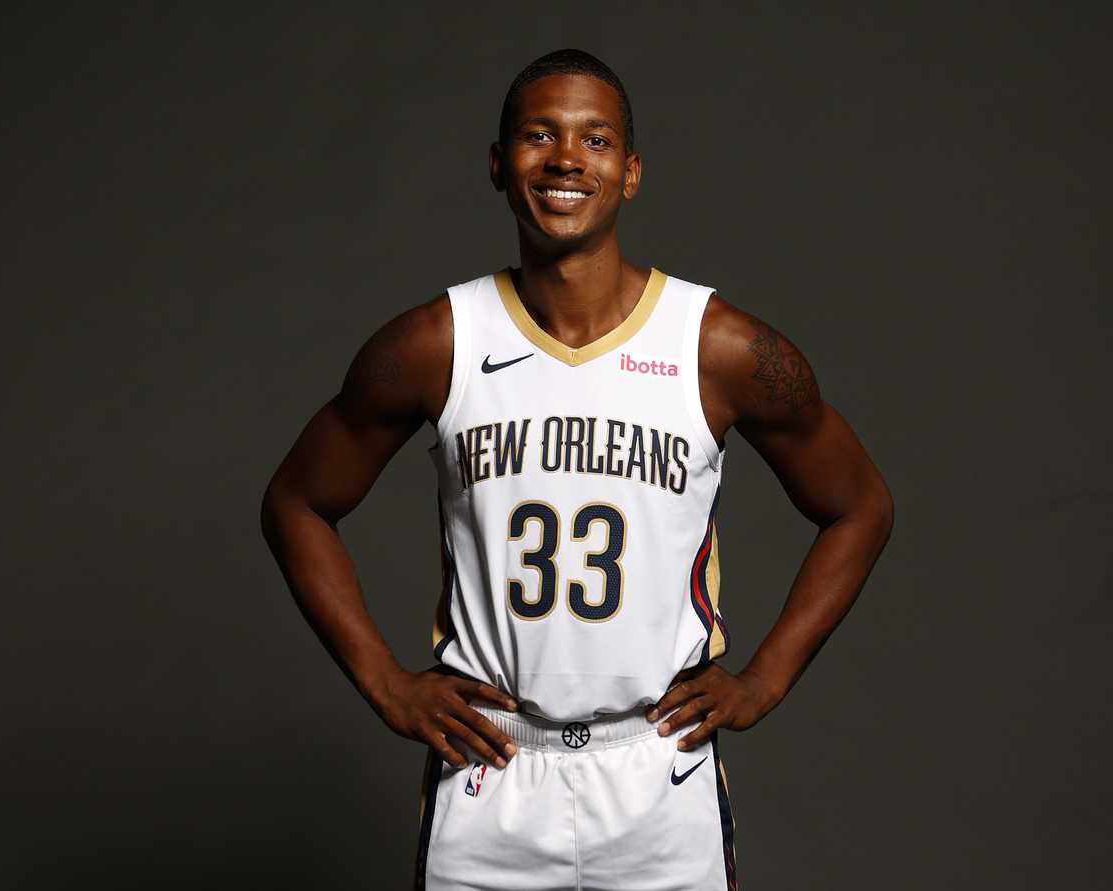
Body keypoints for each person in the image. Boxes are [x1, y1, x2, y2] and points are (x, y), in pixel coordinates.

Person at [260, 48, 894, 891]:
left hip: (658, 767)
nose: (565, 159)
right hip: (492, 768)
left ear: (629, 173)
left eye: (595, 140)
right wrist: (386, 684)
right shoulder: (438, 342)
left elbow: (861, 505)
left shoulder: (718, 347)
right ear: (498, 164)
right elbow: (297, 501)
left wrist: (765, 679)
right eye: (538, 135)